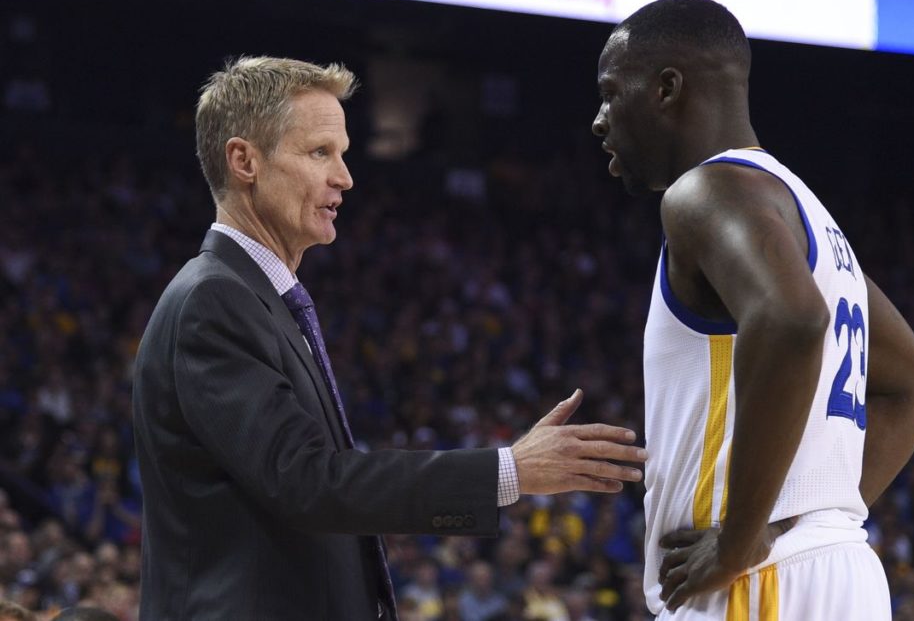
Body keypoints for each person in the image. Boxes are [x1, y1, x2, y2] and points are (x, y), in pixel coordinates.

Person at [133, 56, 648, 620]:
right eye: (319, 152)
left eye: (343, 154)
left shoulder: (257, 298)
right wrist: (509, 470)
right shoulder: (215, 301)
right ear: (244, 161)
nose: (345, 177)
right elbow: (308, 483)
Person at [590, 0, 914, 619]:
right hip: (839, 570)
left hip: (755, 587)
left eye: (611, 93)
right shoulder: (802, 209)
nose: (599, 120)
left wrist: (740, 538)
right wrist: (806, 520)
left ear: (668, 88)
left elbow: (791, 320)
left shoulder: (706, 190)